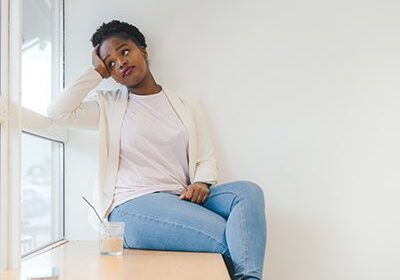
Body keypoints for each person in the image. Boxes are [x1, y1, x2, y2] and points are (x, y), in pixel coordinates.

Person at [47, 20, 267, 280]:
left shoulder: (186, 103)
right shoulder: (108, 107)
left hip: (182, 197)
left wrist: (202, 183)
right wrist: (95, 72)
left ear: (143, 51)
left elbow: (205, 156)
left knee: (248, 192)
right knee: (232, 238)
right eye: (111, 64)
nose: (120, 63)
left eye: (125, 51)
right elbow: (58, 112)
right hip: (132, 205)